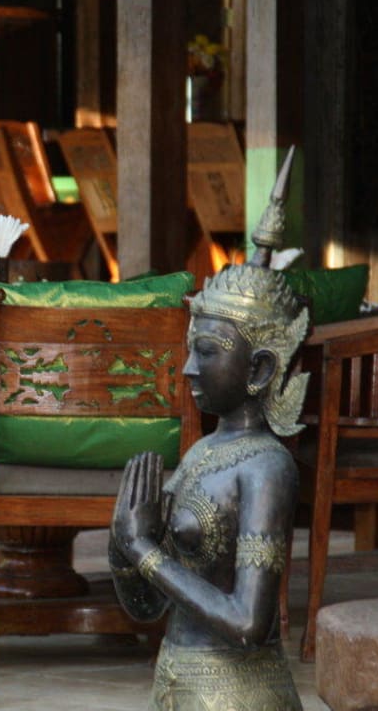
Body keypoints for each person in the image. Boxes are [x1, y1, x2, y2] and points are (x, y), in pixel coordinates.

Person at [109, 151, 308, 710]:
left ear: (259, 369)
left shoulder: (267, 467)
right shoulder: (202, 451)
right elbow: (146, 608)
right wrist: (124, 543)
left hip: (238, 692)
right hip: (180, 678)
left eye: (207, 352)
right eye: (190, 351)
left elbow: (248, 623)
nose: (188, 369)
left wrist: (145, 552)